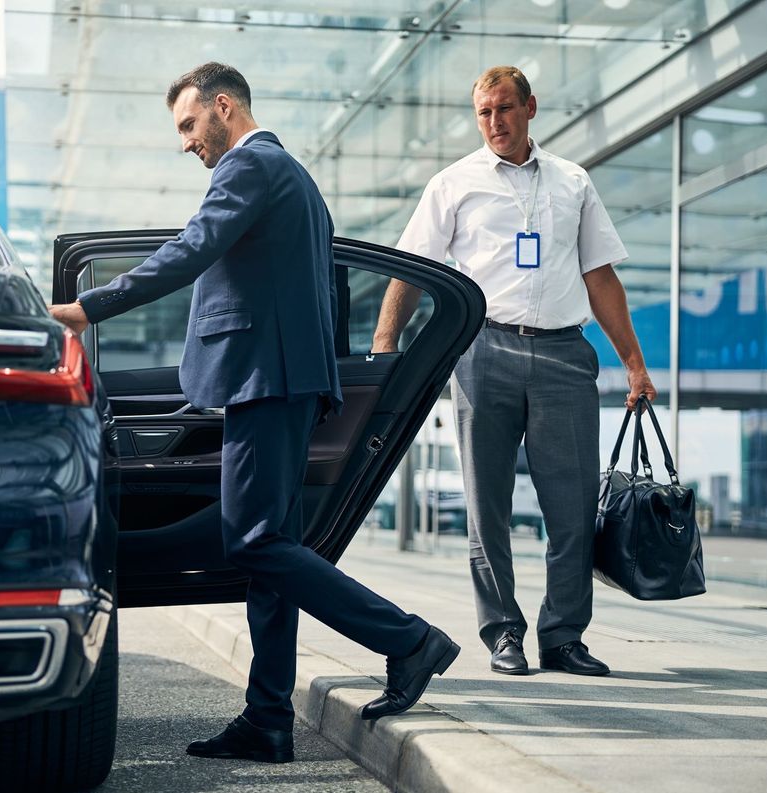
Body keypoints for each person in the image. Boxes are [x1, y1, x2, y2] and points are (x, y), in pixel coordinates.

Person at [48, 62, 459, 763]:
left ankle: (409, 638)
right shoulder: (296, 179)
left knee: (254, 544)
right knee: (271, 554)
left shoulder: (250, 166)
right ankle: (268, 717)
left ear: (224, 106)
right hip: (280, 380)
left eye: (187, 124)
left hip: (265, 382)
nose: (185, 143)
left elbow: (189, 250)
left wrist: (88, 307)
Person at [371, 65, 656, 678]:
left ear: (530, 107)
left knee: (573, 508)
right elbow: (412, 266)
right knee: (488, 506)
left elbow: (600, 274)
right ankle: (503, 632)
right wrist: (385, 346)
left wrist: (633, 362)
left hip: (564, 355)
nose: (494, 122)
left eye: (504, 109)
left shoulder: (573, 181)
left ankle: (563, 636)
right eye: (483, 112)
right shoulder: (453, 183)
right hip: (483, 352)